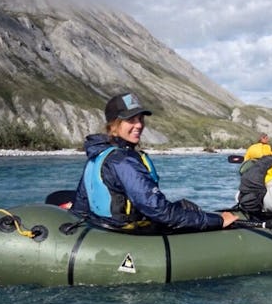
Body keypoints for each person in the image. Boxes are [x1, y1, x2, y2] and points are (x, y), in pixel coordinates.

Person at [72, 92, 238, 232]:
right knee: (187, 211)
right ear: (114, 124)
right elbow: (158, 210)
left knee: (186, 207)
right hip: (127, 234)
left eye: (140, 119)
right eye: (131, 120)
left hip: (104, 230)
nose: (139, 125)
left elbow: (81, 206)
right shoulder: (123, 161)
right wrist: (217, 221)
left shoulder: (97, 154)